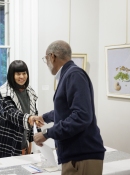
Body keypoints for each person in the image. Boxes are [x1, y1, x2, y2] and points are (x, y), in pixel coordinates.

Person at [33, 40, 106, 175]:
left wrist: (47, 133)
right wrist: (44, 117)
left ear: (52, 56)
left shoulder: (74, 75)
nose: (47, 63)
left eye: (46, 59)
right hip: (75, 155)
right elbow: (66, 111)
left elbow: (81, 116)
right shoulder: (69, 75)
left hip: (82, 155)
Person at [0, 60, 38, 158]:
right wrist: (29, 118)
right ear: (11, 75)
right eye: (18, 74)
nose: (22, 77)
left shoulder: (30, 91)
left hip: (24, 136)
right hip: (6, 137)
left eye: (24, 73)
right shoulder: (4, 91)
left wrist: (31, 139)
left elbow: (33, 113)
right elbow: (11, 113)